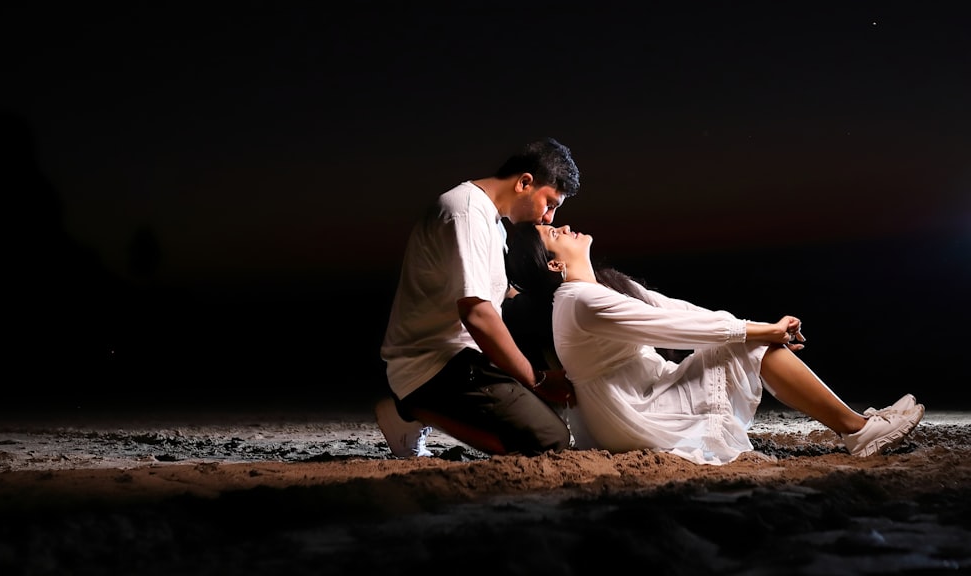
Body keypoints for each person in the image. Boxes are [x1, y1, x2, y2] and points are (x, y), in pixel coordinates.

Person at [502, 222, 925, 465]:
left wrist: (761, 328)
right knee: (749, 345)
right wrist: (759, 333)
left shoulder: (606, 286)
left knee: (749, 342)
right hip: (632, 413)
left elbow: (679, 311)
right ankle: (859, 430)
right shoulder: (577, 300)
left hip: (642, 395)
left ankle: (855, 423)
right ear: (554, 263)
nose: (564, 225)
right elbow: (670, 330)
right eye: (552, 232)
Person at [376, 138, 581, 458]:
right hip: (434, 366)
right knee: (547, 441)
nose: (549, 217)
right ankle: (410, 410)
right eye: (550, 203)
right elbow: (476, 313)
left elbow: (498, 298)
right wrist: (537, 380)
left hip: (464, 356)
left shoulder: (491, 221)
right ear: (525, 182)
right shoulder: (466, 212)